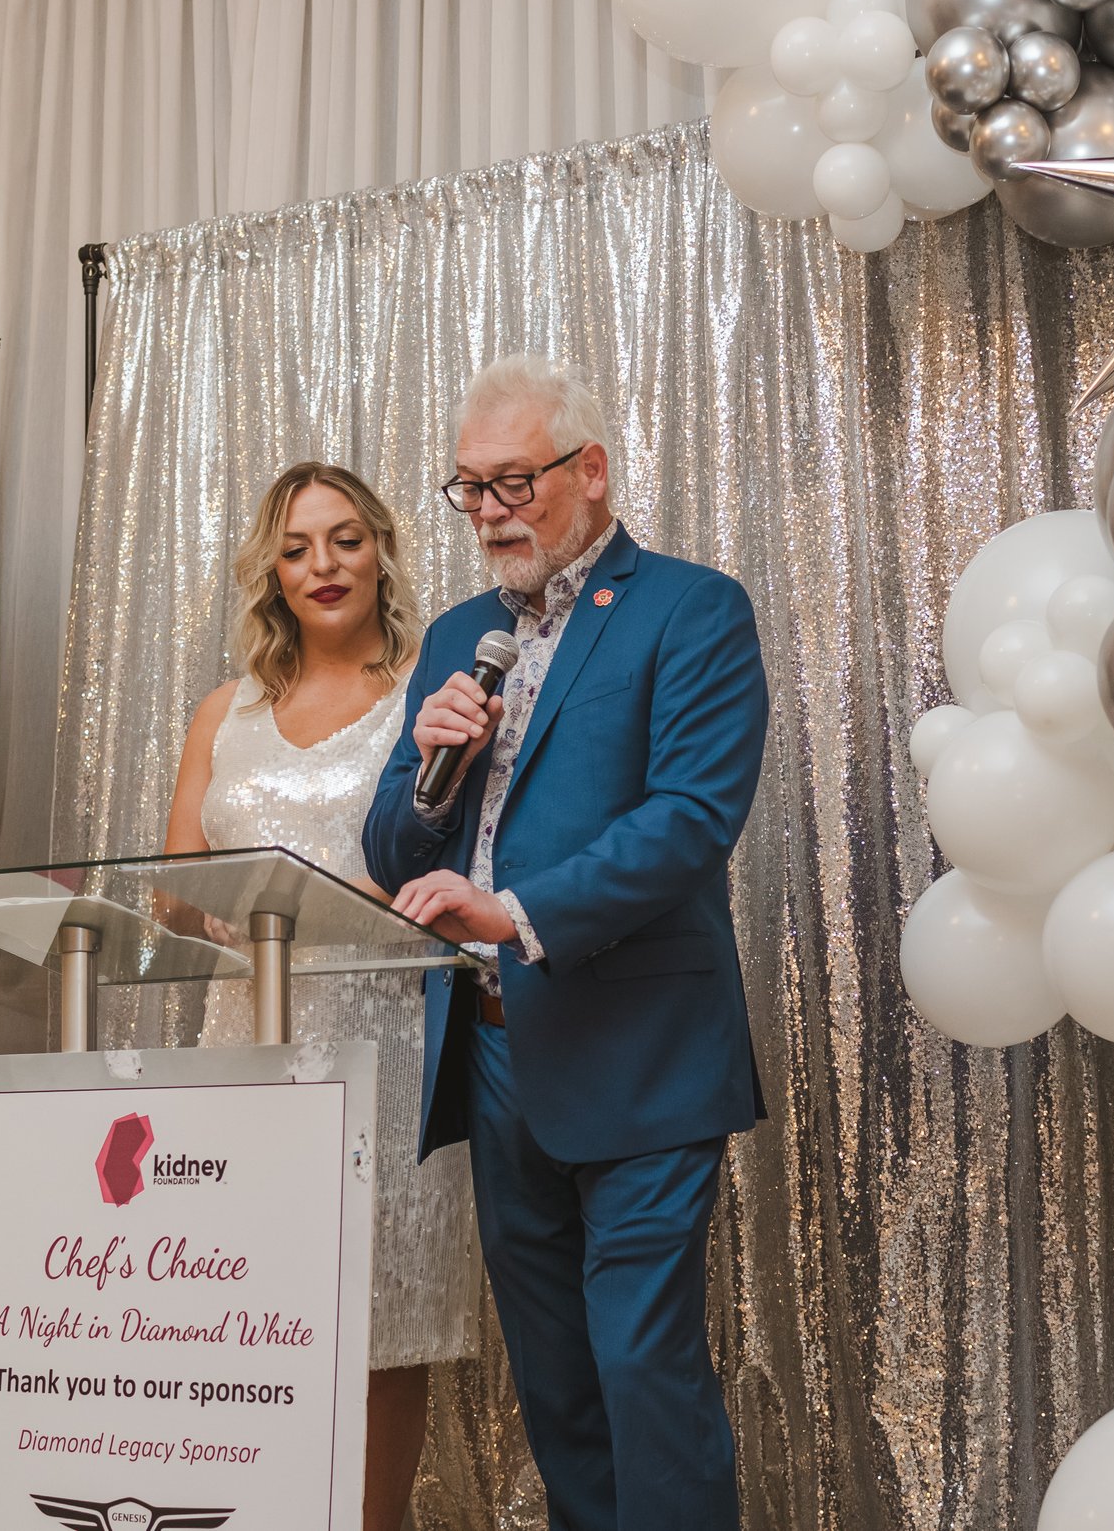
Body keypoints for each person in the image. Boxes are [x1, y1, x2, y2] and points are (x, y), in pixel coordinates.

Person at [362, 355, 770, 1531]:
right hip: (495, 1057)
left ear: (589, 471)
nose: (489, 512)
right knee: (557, 1386)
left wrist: (521, 914)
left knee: (644, 1367)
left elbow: (690, 818)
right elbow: (394, 846)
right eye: (468, 488)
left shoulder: (690, 607)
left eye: (513, 482)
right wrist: (435, 779)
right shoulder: (452, 634)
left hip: (641, 1051)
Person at [164, 461, 479, 1531]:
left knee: (378, 1322)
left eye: (343, 538)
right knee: (246, 1314)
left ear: (380, 547)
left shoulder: (425, 698)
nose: (322, 564)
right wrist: (196, 906)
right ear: (271, 572)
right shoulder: (224, 709)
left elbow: (452, 860)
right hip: (243, 1047)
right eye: (297, 548)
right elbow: (172, 886)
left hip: (382, 1042)